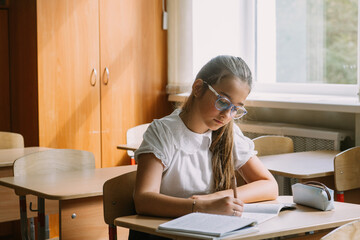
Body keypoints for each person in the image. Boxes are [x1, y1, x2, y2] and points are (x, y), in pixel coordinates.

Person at [131, 55, 278, 239]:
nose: (227, 115)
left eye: (235, 109)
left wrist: (216, 198)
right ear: (198, 88)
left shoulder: (229, 133)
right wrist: (201, 207)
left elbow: (270, 185)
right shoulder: (163, 132)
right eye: (223, 101)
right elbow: (143, 200)